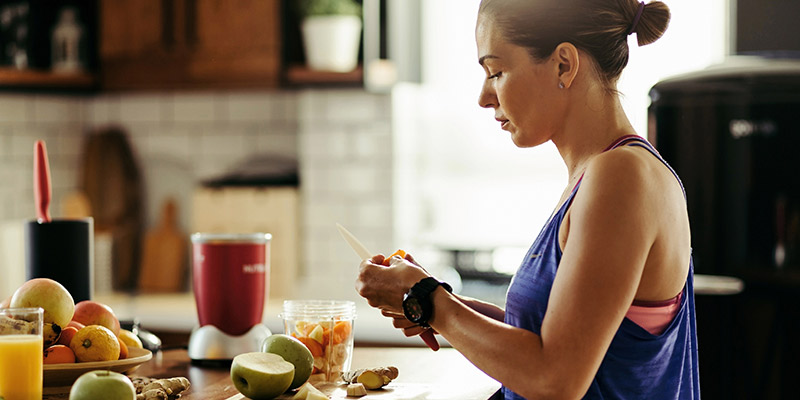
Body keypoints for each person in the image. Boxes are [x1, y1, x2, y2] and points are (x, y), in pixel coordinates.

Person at [355, 0, 699, 399]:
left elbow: (555, 380)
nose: (485, 97)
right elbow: (556, 339)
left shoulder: (622, 178)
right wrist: (436, 299)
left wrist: (427, 301)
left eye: (496, 71)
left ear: (563, 65)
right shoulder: (599, 176)